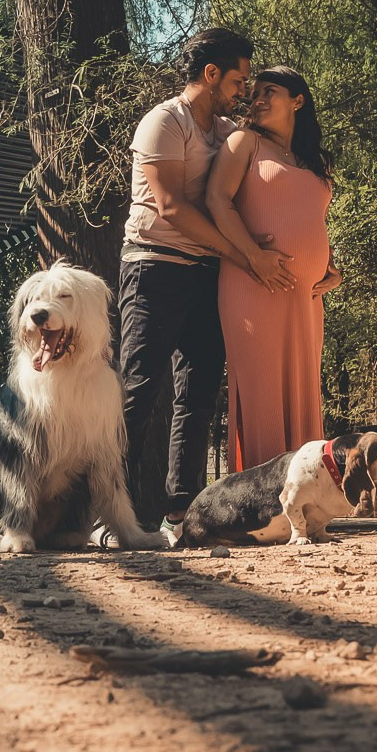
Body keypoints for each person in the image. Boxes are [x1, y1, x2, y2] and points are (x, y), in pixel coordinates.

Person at [118, 27, 294, 541]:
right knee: (139, 390)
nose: (245, 91)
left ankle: (182, 516)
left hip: (206, 275)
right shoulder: (163, 122)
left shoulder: (222, 130)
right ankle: (106, 516)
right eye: (239, 79)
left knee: (196, 399)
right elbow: (171, 207)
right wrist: (245, 256)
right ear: (211, 74)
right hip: (153, 267)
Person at [206, 66, 339, 472]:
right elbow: (217, 201)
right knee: (261, 388)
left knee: (302, 390)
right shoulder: (244, 142)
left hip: (305, 297)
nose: (257, 99)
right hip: (252, 284)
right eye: (254, 91)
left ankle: (306, 493)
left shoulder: (313, 161)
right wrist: (254, 257)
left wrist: (331, 266)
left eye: (270, 91)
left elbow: (313, 217)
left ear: (298, 100)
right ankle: (261, 499)